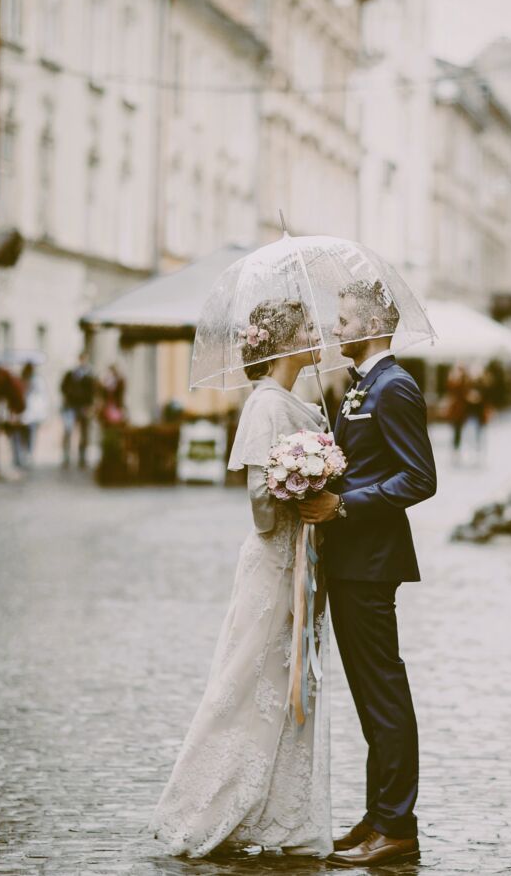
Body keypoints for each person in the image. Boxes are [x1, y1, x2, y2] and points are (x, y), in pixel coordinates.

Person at [152, 299, 333, 859]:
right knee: (246, 683)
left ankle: (279, 813)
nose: (316, 335)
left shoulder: (299, 402)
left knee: (289, 687)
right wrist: (302, 492)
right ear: (283, 343)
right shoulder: (265, 406)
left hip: (302, 560)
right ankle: (207, 807)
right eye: (307, 329)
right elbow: (258, 503)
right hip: (274, 563)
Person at [299, 278, 437, 867]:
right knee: (369, 695)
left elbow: (420, 478)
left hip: (372, 562)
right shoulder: (364, 385)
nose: (336, 329)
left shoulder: (396, 386)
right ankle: (378, 815)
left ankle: (397, 825)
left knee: (383, 695)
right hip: (351, 559)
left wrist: (345, 505)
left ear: (374, 327)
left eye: (346, 321)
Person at [59, 352, 97, 468]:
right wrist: (68, 395)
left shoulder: (90, 376)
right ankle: (66, 456)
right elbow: (63, 387)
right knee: (68, 430)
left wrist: (90, 405)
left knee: (84, 432)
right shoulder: (71, 374)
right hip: (71, 405)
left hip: (83, 406)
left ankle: (82, 457)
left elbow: (93, 392)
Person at [17, 361, 47, 469]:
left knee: (31, 433)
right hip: (23, 412)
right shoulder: (21, 380)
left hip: (32, 412)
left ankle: (29, 454)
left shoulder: (37, 381)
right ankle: (23, 454)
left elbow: (41, 396)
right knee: (24, 434)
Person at [442, 364, 471, 461]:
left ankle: (456, 449)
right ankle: (455, 449)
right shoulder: (457, 383)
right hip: (456, 411)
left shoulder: (462, 382)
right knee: (456, 431)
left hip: (459, 411)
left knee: (457, 431)